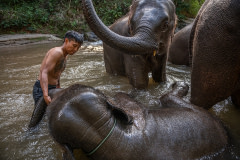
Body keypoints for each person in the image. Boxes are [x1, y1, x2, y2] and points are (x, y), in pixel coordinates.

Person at [32, 30, 84, 105]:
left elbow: (57, 73)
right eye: (74, 46)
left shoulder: (65, 56)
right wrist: (45, 95)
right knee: (41, 115)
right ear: (66, 41)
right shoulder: (56, 52)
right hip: (42, 88)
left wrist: (58, 88)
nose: (76, 50)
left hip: (52, 88)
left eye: (78, 47)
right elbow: (44, 72)